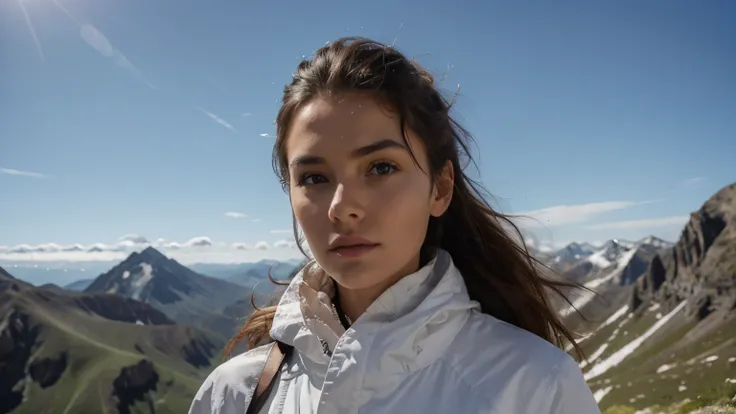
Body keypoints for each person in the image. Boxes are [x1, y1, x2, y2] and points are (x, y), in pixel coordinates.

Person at [188, 37, 600, 414]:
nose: (342, 207)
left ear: (440, 188)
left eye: (381, 167)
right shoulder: (233, 395)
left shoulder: (536, 389)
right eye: (314, 177)